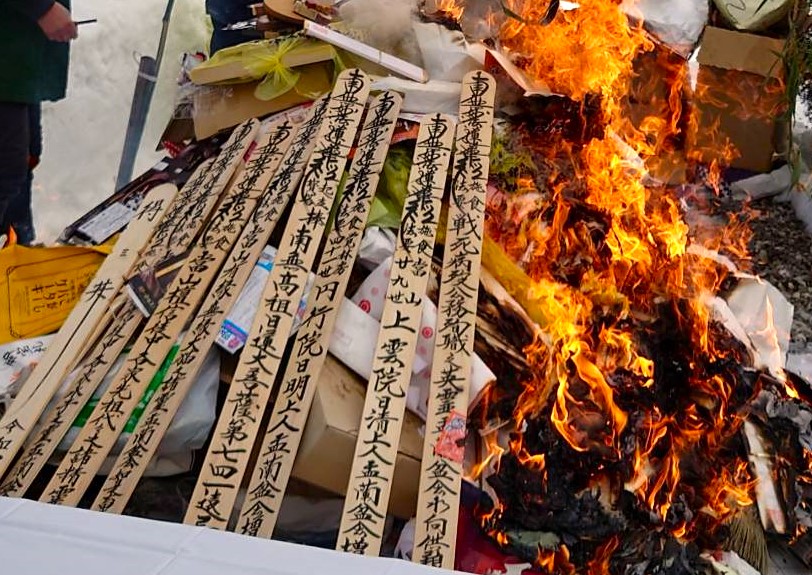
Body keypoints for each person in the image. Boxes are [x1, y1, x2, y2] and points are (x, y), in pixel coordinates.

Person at [0, 0, 77, 246]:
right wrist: (41, 7)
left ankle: (16, 253)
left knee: (25, 159)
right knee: (7, 168)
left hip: (19, 53)